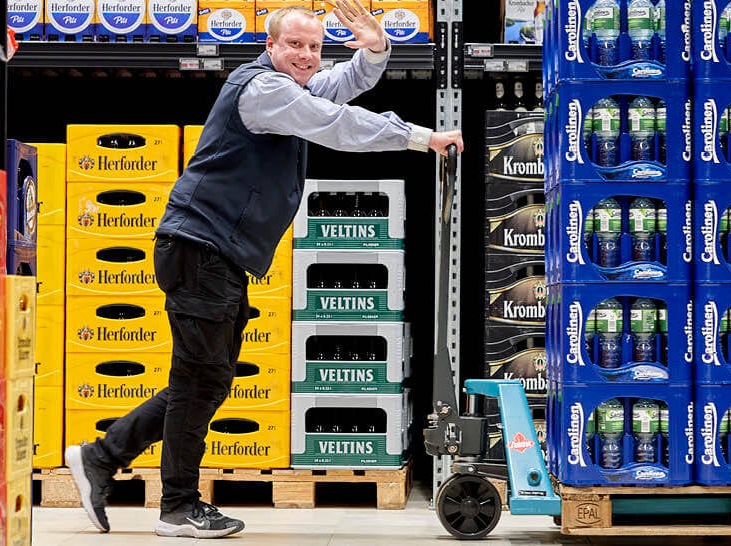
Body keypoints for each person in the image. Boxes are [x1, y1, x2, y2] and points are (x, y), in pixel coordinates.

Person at [63, 1, 464, 539]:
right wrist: (422, 138)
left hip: (217, 253)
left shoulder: (292, 88)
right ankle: (176, 507)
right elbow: (337, 123)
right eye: (294, 44)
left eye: (314, 47)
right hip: (199, 247)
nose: (306, 55)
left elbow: (341, 85)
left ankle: (101, 457)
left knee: (206, 380)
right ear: (270, 45)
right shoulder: (265, 90)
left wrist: (376, 50)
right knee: (197, 381)